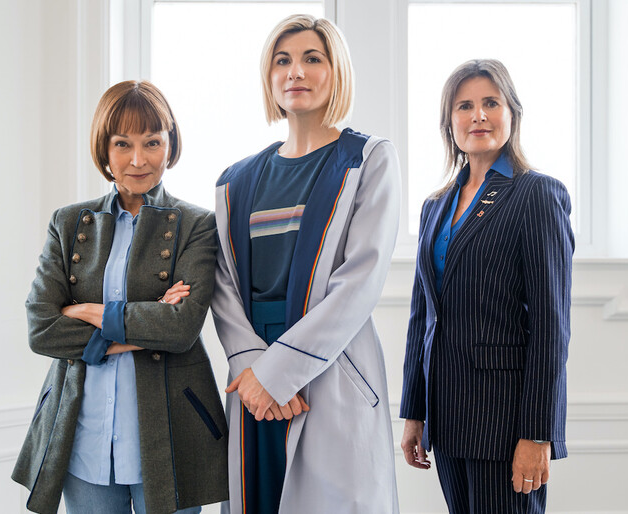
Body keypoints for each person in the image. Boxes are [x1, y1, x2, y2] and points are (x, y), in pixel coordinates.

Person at [211, 14, 400, 514]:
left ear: (335, 71)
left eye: (311, 59)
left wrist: (280, 373)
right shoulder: (235, 180)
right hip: (252, 375)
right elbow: (224, 287)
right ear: (269, 78)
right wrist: (254, 370)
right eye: (283, 60)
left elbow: (360, 280)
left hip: (330, 366)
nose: (295, 71)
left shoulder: (367, 159)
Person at [12, 80, 228, 514]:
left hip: (171, 435)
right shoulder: (68, 222)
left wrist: (86, 312)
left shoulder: (197, 224)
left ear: (170, 143)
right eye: (122, 143)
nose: (138, 159)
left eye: (152, 142)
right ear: (104, 150)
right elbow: (41, 329)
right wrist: (143, 325)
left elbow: (181, 328)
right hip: (82, 437)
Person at [399, 59, 574, 513]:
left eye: (490, 103)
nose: (478, 115)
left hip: (505, 420)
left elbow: (551, 327)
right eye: (464, 106)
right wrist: (415, 411)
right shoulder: (434, 207)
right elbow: (423, 316)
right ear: (449, 123)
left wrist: (538, 432)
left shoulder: (536, 194)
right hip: (448, 414)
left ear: (512, 113)